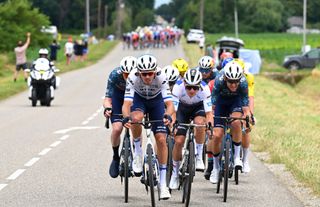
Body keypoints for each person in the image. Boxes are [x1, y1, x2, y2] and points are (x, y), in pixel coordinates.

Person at [122, 54, 174, 200]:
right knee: (136, 118)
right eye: (144, 74)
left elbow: (170, 104)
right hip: (140, 100)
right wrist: (126, 117)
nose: (147, 77)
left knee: (161, 140)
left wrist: (168, 115)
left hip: (156, 102)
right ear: (139, 72)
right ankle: (138, 153)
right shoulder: (132, 77)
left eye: (150, 73)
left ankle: (163, 184)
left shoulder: (161, 76)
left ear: (155, 71)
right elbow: (126, 104)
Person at [169, 68, 213, 189]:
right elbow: (174, 111)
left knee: (200, 124)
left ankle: (199, 156)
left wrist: (209, 125)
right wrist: (173, 124)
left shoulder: (205, 88)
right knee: (178, 141)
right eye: (189, 87)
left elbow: (209, 114)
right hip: (182, 110)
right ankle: (175, 174)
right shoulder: (178, 87)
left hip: (197, 108)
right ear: (184, 84)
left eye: (195, 87)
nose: (192, 90)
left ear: (199, 85)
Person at [208, 61, 250, 184]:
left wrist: (247, 117)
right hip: (221, 102)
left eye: (236, 81)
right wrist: (210, 118)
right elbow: (212, 105)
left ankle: (237, 157)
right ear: (225, 78)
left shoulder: (243, 82)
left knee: (236, 123)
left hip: (235, 102)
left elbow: (245, 105)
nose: (233, 85)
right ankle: (215, 169)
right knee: (217, 136)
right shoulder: (219, 80)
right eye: (231, 81)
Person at [103, 56, 137, 178]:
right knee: (117, 129)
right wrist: (107, 108)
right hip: (118, 97)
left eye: (130, 74)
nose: (127, 77)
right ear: (121, 71)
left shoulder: (140, 76)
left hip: (134, 98)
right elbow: (107, 98)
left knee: (135, 126)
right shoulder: (114, 75)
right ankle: (115, 157)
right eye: (125, 74)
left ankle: (137, 154)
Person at [234, 59, 255, 173]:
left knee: (246, 127)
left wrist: (250, 115)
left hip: (243, 100)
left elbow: (250, 97)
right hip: (229, 100)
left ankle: (245, 159)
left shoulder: (248, 78)